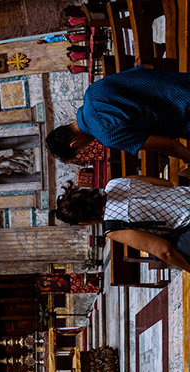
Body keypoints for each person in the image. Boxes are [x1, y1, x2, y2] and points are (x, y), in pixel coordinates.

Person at [48, 66, 190, 163]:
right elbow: (145, 68)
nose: (87, 146)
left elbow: (169, 145)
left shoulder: (107, 135)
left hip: (185, 115)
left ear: (75, 144)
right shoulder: (92, 92)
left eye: (81, 149)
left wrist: (187, 159)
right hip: (182, 82)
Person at [54, 178, 190, 270]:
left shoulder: (112, 227)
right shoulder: (115, 183)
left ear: (84, 222)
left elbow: (165, 251)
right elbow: (166, 184)